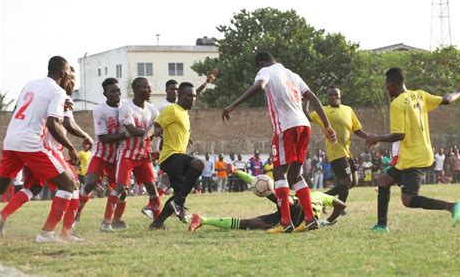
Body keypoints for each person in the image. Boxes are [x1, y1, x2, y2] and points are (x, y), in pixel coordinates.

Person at [222, 51, 337, 233]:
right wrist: (327, 125)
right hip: (304, 126)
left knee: (279, 173)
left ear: (260, 63)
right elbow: (313, 98)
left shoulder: (265, 71)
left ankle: (285, 221)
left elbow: (260, 85)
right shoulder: (292, 75)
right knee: (294, 175)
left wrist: (234, 105)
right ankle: (309, 218)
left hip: (286, 127)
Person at [367, 67, 460, 232]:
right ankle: (381, 225)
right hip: (416, 155)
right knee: (383, 181)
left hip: (415, 157)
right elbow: (447, 99)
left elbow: (399, 135)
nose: (387, 90)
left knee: (408, 200)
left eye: (387, 86)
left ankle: (452, 206)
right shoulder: (420, 95)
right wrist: (458, 91)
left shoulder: (397, 104)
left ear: (392, 84)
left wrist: (377, 138)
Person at [0, 56, 79, 242]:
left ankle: (57, 232)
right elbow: (53, 124)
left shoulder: (30, 84)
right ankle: (47, 234)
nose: (70, 80)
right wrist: (71, 147)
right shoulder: (58, 92)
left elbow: (18, 110)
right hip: (30, 142)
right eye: (69, 75)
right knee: (69, 184)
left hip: (11, 139)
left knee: (2, 187)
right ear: (63, 73)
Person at [189, 170, 346, 231]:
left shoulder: (317, 194)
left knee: (279, 200)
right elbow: (341, 205)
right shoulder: (319, 195)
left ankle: (237, 172)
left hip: (293, 211)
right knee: (249, 224)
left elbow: (341, 205)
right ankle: (202, 219)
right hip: (293, 213)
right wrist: (328, 221)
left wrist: (327, 221)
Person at [101, 77, 161, 232]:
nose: (150, 91)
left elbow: (158, 127)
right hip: (127, 154)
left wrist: (156, 133)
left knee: (152, 187)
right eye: (146, 88)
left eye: (150, 87)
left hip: (143, 154)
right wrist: (151, 132)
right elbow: (132, 130)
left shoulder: (152, 108)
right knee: (121, 186)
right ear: (136, 90)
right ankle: (106, 222)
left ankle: (157, 222)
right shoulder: (126, 108)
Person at [150, 82, 205, 229]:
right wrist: (151, 137)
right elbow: (156, 127)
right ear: (179, 96)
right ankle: (179, 202)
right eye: (189, 96)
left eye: (194, 96)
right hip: (170, 157)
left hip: (177, 157)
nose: (192, 99)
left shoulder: (183, 112)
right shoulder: (172, 109)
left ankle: (157, 224)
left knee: (178, 192)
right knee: (199, 164)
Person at [75, 78, 129, 227]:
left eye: (118, 91)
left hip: (118, 156)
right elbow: (104, 138)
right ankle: (77, 212)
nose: (116, 94)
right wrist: (127, 135)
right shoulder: (99, 110)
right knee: (90, 182)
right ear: (105, 94)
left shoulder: (126, 106)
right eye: (112, 92)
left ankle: (117, 219)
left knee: (122, 190)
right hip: (101, 154)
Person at [305, 86, 370, 208]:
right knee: (346, 181)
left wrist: (369, 137)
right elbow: (308, 116)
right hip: (335, 151)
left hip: (347, 152)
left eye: (336, 94)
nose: (334, 97)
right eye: (331, 95)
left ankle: (322, 198)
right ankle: (339, 207)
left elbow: (357, 129)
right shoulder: (322, 111)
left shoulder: (348, 110)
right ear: (328, 97)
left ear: (340, 96)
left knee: (354, 181)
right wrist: (306, 101)